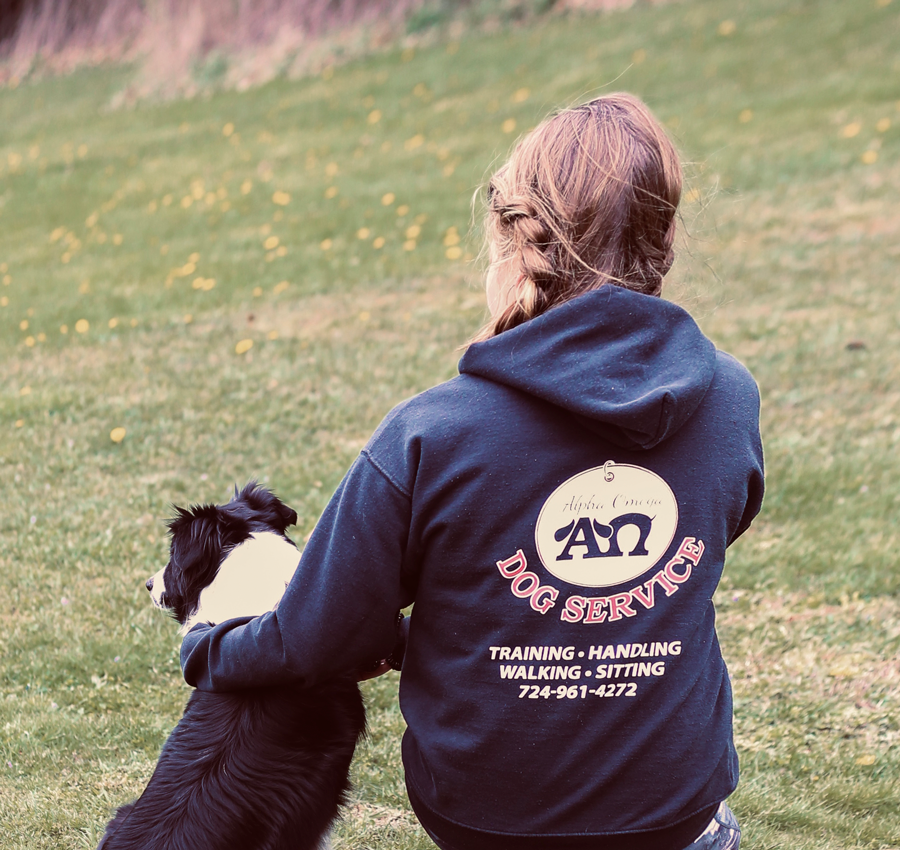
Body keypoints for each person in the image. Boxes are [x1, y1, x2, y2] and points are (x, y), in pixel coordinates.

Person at [181, 93, 763, 850]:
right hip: (674, 809)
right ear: (667, 235)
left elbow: (319, 641)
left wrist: (212, 646)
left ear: (514, 240)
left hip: (488, 822)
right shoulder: (731, 399)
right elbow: (712, 533)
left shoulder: (429, 435)